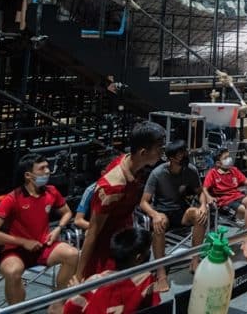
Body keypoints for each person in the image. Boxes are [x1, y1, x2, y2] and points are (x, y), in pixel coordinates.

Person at [0, 154, 79, 305]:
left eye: (47, 167)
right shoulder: (11, 199)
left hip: (43, 247)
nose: (47, 171)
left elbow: (67, 212)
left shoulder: (52, 191)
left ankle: (60, 302)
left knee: (72, 254)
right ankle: (18, 309)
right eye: (42, 168)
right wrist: (23, 242)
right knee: (13, 272)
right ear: (28, 175)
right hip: (15, 250)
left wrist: (58, 229)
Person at [76, 121, 166, 280]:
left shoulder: (133, 165)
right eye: (159, 148)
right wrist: (79, 276)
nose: (162, 152)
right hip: (108, 251)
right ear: (143, 152)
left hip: (126, 240)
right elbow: (93, 232)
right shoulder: (112, 187)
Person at [140, 140, 209, 291]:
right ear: (171, 158)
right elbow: (144, 202)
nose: (185, 155)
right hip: (162, 212)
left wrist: (203, 205)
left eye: (185, 151)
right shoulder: (157, 173)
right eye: (180, 154)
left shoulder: (190, 170)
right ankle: (161, 272)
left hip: (181, 212)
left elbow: (200, 192)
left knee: (199, 215)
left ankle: (195, 260)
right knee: (159, 223)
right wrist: (154, 214)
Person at [63, 228, 159, 314]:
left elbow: (70, 309)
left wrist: (77, 293)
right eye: (147, 250)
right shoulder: (146, 279)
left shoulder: (93, 284)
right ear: (139, 257)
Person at [202, 147, 247, 261]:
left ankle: (246, 241)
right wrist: (209, 197)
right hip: (225, 202)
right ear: (218, 163)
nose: (229, 159)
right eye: (225, 158)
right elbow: (204, 188)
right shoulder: (212, 173)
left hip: (238, 196)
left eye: (229, 156)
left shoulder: (234, 170)